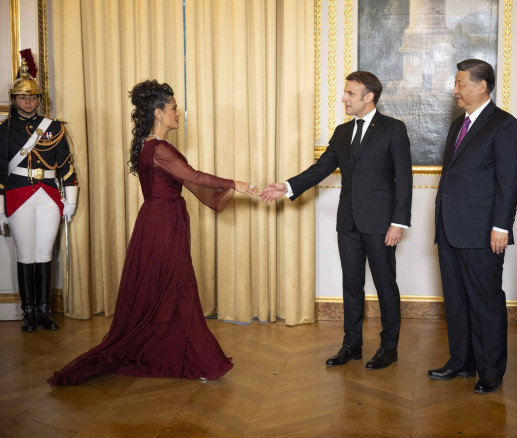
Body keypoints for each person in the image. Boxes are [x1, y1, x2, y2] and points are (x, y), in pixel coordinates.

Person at [48, 80, 260, 385]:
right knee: (180, 286)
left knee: (169, 288)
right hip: (163, 224)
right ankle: (202, 361)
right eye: (173, 108)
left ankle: (183, 355)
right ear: (158, 113)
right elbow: (193, 176)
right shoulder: (158, 148)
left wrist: (228, 186)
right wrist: (234, 184)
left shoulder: (151, 146)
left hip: (159, 221)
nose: (178, 113)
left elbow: (187, 180)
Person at [260, 71, 412, 370]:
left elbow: (404, 180)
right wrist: (288, 186)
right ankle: (351, 345)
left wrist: (399, 222)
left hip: (382, 223)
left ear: (368, 97)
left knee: (385, 284)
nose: (343, 98)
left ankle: (388, 347)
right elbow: (322, 168)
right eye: (345, 92)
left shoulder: (393, 129)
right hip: (348, 223)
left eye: (350, 93)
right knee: (351, 284)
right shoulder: (342, 133)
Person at [428, 59, 517, 393]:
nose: (454, 90)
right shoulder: (459, 124)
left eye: (459, 84)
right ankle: (461, 362)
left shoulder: (504, 125)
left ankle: (491, 371)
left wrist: (502, 227)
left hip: (483, 231)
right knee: (455, 299)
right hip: (450, 228)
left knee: (486, 301)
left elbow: (508, 182)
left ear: (481, 86)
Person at [0, 59, 78, 333]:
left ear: (38, 99)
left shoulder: (54, 128)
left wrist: (71, 199)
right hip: (18, 194)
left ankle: (44, 310)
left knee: (44, 253)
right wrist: (0, 208)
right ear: (15, 99)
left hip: (48, 196)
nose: (28, 101)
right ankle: (28, 312)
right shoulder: (4, 130)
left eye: (32, 96)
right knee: (25, 254)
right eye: (23, 96)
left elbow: (66, 165)